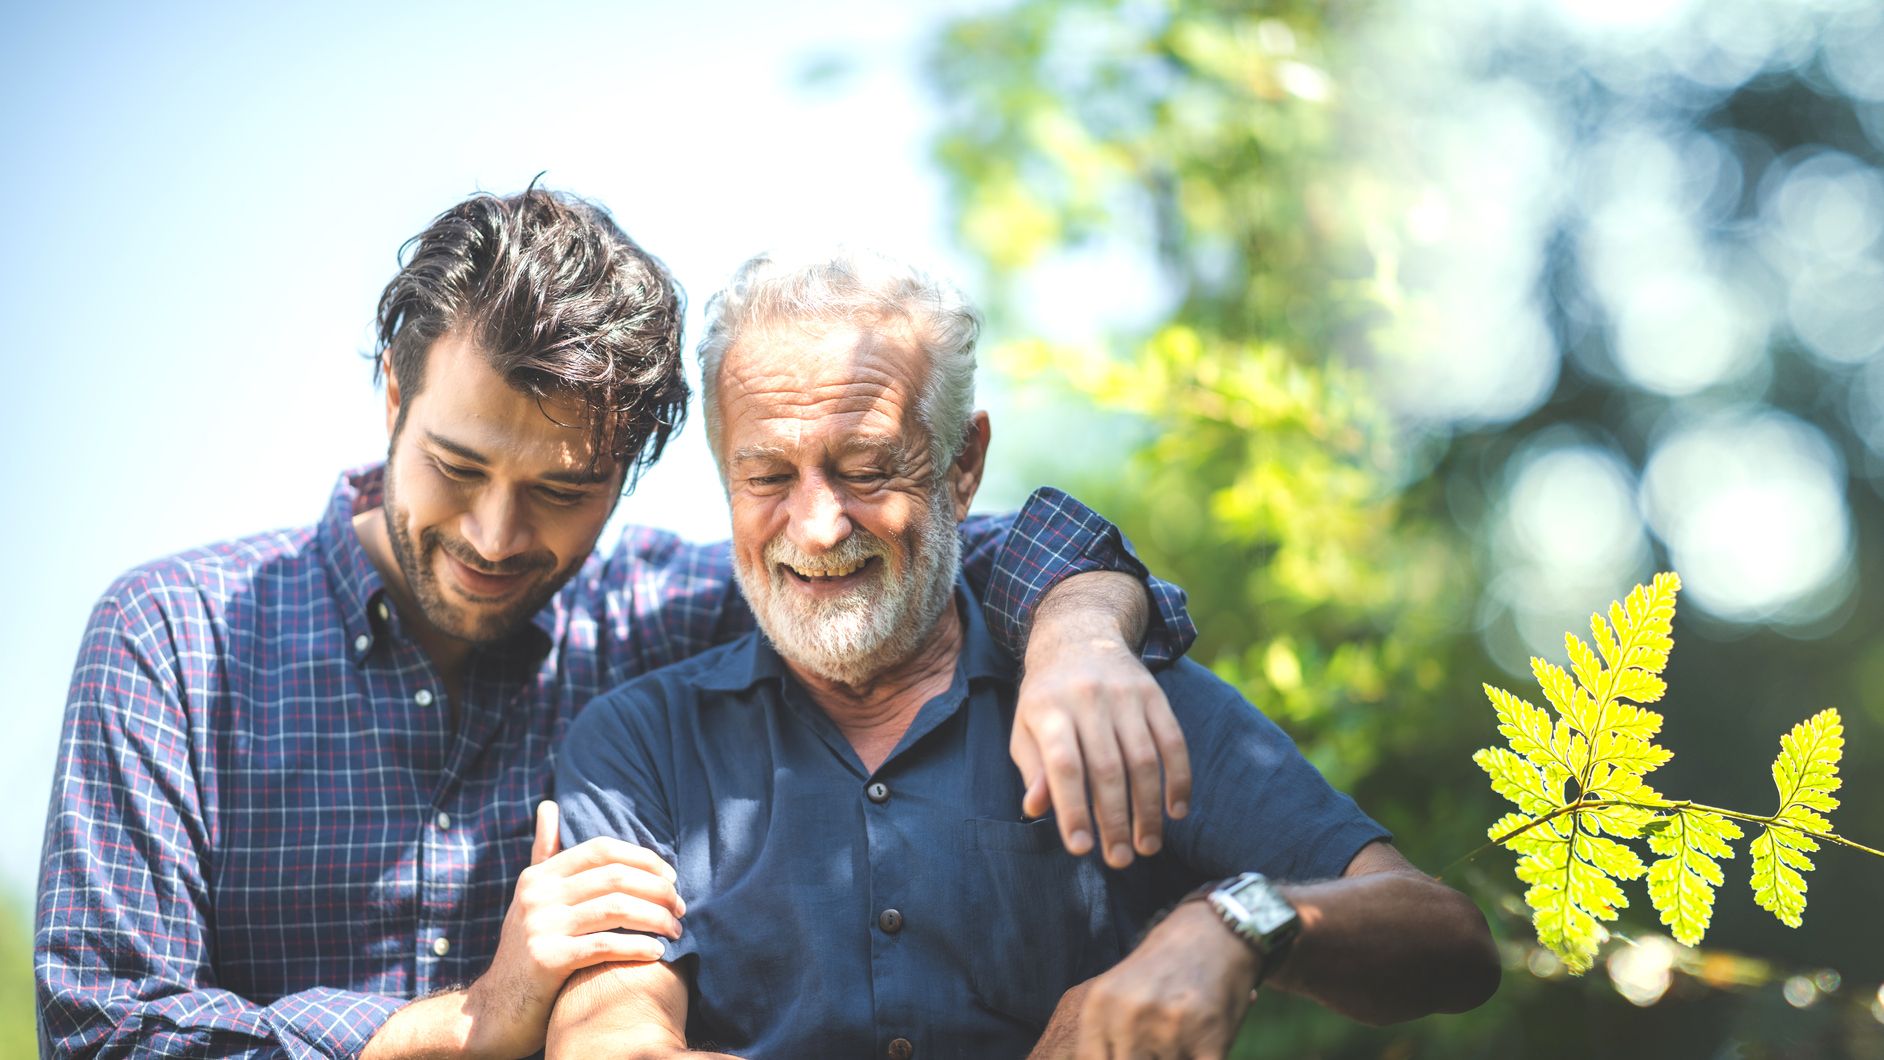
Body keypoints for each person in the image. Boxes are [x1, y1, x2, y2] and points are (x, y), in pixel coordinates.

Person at [35, 189, 1202, 1059]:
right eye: (455, 466)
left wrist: (1081, 631)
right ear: (394, 397)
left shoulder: (664, 613)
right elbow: (101, 1032)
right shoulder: (172, 641)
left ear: (634, 472)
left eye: (560, 491)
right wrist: (463, 1024)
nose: (495, 536)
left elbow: (917, 547)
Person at [548, 248, 1502, 1059]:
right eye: (766, 476)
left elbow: (1450, 943)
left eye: (867, 468)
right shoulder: (640, 741)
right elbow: (607, 1036)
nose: (817, 524)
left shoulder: (1112, 694)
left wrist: (1235, 924)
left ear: (962, 465)